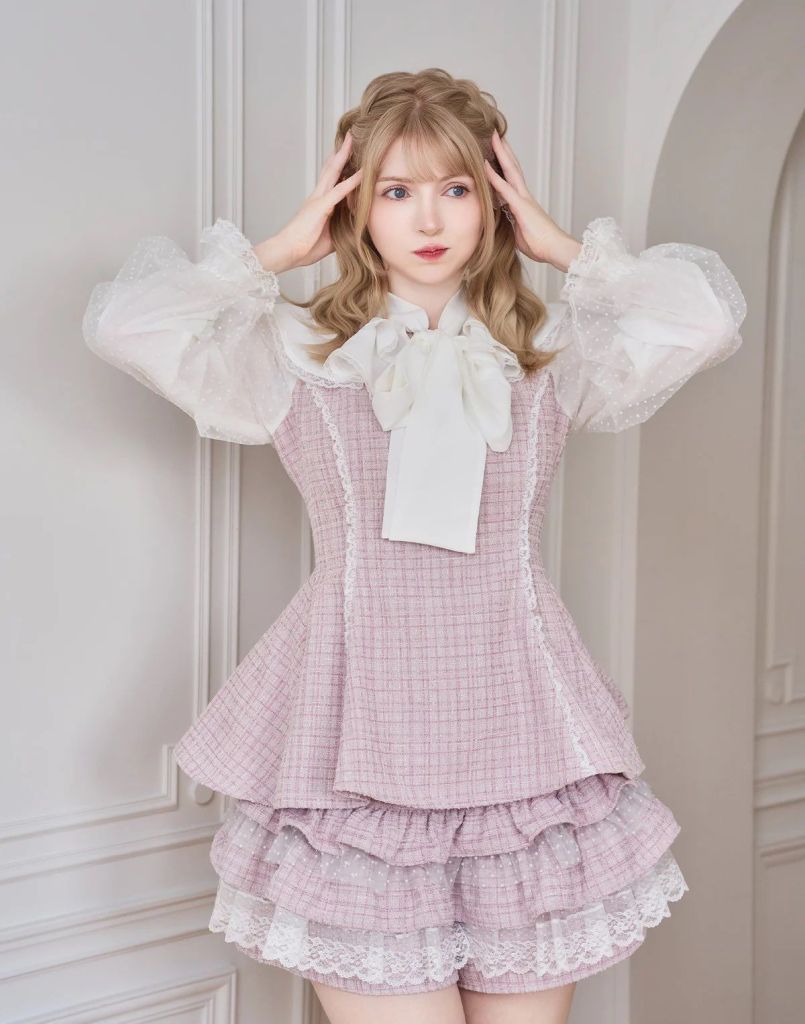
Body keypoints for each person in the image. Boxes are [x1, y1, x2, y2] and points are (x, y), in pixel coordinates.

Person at [81, 68, 747, 1024]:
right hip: (354, 731)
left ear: (494, 201)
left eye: (456, 187)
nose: (427, 217)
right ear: (355, 206)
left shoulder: (549, 351)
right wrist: (274, 252)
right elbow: (125, 324)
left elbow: (706, 317)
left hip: (522, 738)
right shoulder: (296, 352)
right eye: (395, 190)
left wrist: (562, 249)